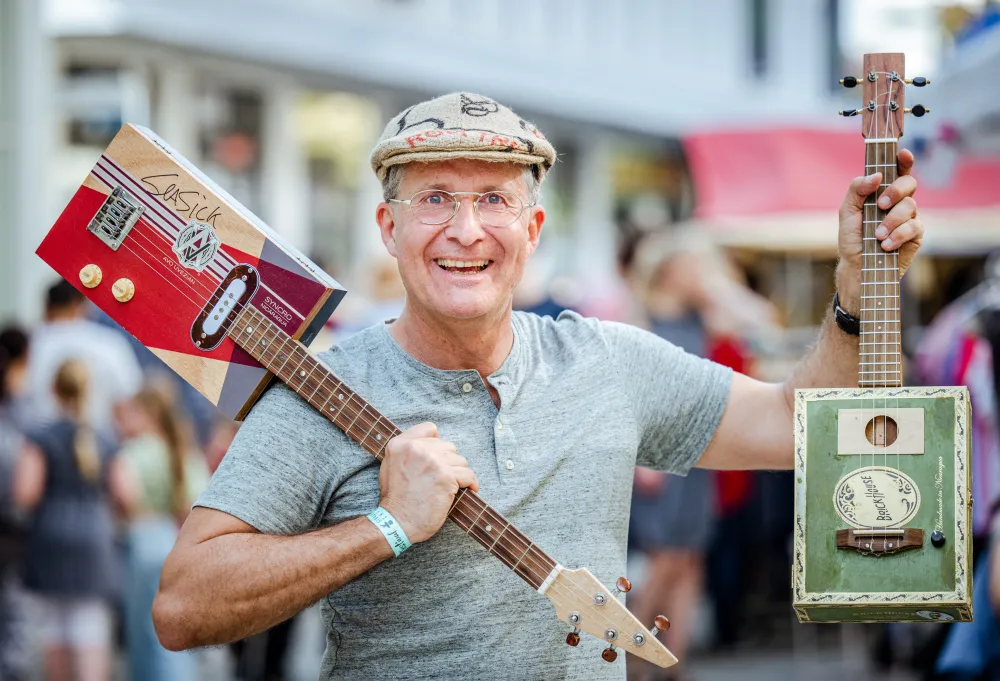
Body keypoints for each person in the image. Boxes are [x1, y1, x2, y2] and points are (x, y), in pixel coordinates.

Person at [152, 92, 924, 680]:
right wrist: (386, 526)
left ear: (533, 229)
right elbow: (182, 606)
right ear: (388, 228)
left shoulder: (609, 361)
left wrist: (855, 289)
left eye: (494, 199)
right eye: (434, 198)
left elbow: (797, 424)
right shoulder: (320, 391)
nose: (465, 230)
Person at [12, 359, 132, 681]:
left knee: (56, 627)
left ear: (54, 389)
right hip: (95, 537)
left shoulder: (41, 436)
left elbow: (25, 492)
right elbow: (127, 495)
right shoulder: (106, 437)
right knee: (90, 626)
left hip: (50, 535)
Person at [117, 381, 209, 681]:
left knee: (143, 631)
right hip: (175, 540)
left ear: (146, 412)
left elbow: (124, 494)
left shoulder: (135, 451)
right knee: (174, 628)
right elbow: (196, 501)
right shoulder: (184, 450)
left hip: (143, 539)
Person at [25, 279, 142, 433]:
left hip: (41, 438)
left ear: (48, 306)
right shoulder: (111, 343)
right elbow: (130, 397)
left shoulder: (33, 343)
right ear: (81, 303)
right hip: (102, 439)